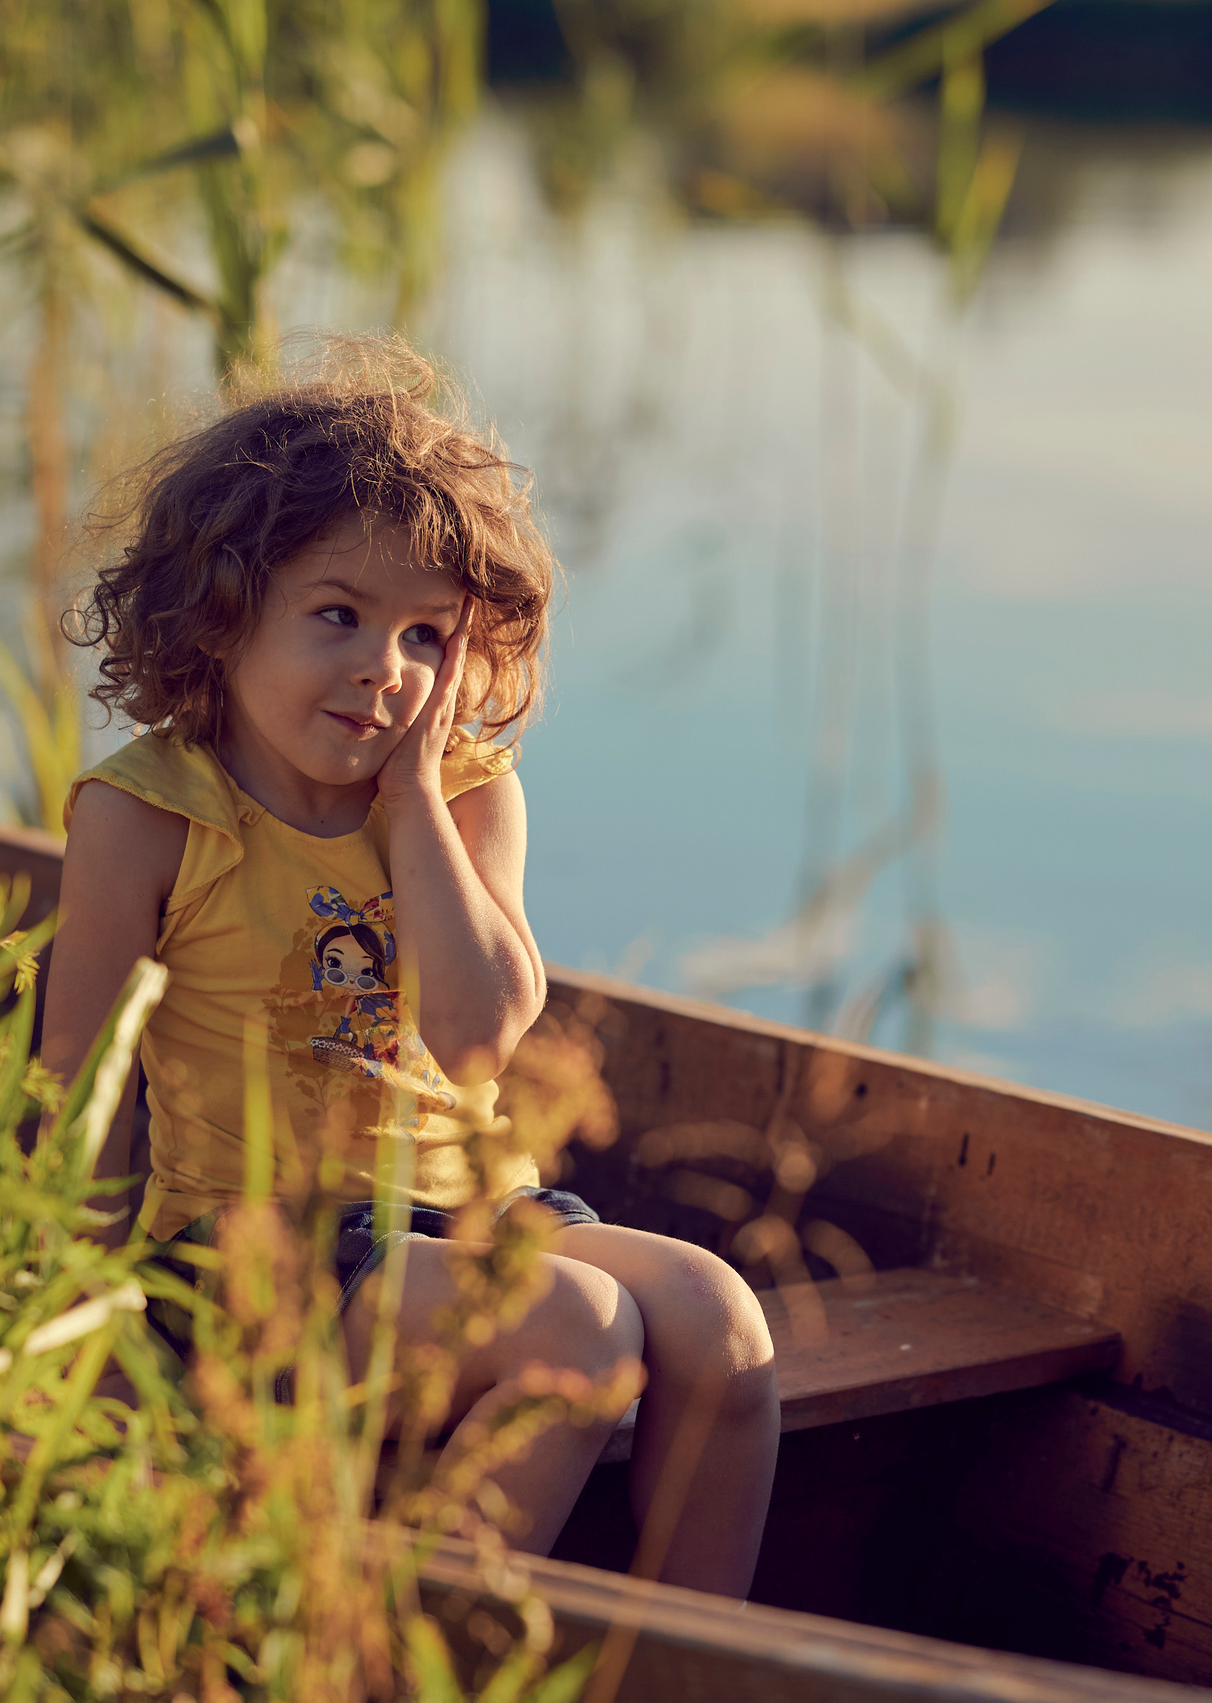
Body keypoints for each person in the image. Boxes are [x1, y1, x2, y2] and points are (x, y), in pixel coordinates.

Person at [39, 337, 779, 1597]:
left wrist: (417, 800)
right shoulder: (151, 814)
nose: (387, 668)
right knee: (575, 1326)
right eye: (340, 616)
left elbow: (483, 1036)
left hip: (472, 1214)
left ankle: (682, 1674)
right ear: (222, 612)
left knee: (719, 1319)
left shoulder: (469, 800)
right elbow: (79, 1098)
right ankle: (390, 1655)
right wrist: (89, 1342)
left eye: (427, 633)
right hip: (244, 1250)